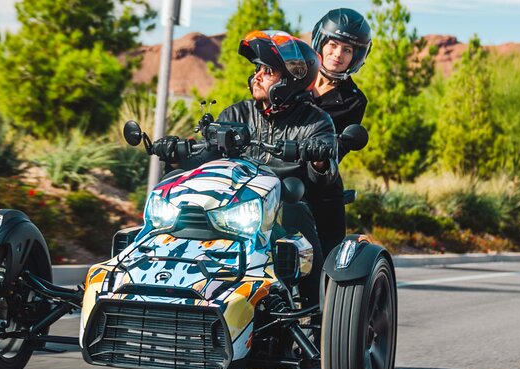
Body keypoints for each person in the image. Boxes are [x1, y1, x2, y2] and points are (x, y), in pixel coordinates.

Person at [153, 30, 338, 308]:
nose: (257, 76)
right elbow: (206, 157)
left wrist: (319, 156)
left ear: (291, 78)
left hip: (278, 207)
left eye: (268, 71)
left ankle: (317, 314)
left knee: (297, 213)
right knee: (171, 186)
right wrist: (177, 156)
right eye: (257, 69)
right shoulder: (236, 114)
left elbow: (323, 176)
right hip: (230, 203)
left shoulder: (316, 122)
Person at [306, 8, 372, 259]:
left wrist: (320, 155)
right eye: (333, 45)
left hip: (316, 178)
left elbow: (338, 149)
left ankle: (323, 288)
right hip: (271, 165)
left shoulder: (354, 101)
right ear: (320, 43)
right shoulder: (292, 80)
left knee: (327, 250)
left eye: (347, 49)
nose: (338, 54)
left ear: (356, 55)